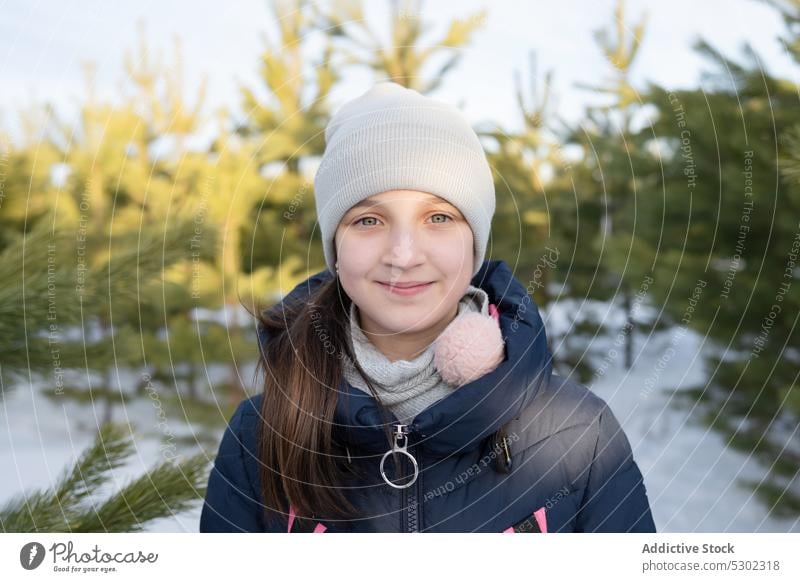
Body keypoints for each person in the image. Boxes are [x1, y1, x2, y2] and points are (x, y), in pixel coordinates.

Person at [199, 82, 656, 533]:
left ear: (473, 241)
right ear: (335, 247)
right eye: (368, 220)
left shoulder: (577, 434)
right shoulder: (258, 437)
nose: (403, 254)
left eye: (438, 217)